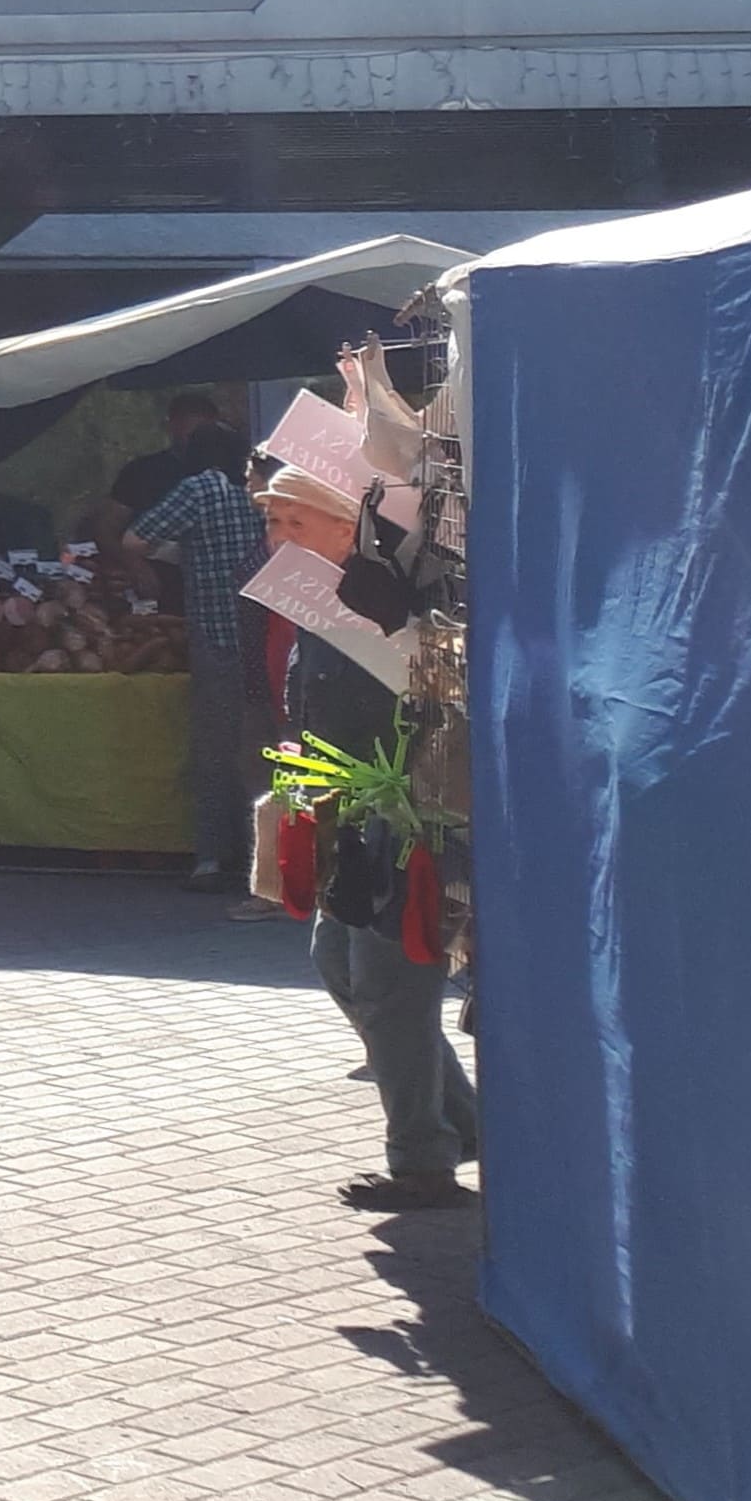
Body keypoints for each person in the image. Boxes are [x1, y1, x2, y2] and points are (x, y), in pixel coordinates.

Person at [259, 469, 478, 1210]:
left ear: (344, 528)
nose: (279, 538)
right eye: (273, 523)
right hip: (355, 815)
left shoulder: (405, 599)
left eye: (296, 522)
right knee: (340, 963)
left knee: (390, 984)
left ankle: (422, 1161)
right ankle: (462, 1124)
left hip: (410, 817)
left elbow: (445, 705)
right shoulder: (312, 608)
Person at [131, 421, 270, 896]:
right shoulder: (259, 490)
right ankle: (262, 861)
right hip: (265, 640)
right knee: (260, 750)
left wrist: (146, 575)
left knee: (214, 750)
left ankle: (211, 859)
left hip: (215, 637)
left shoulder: (199, 489)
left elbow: (135, 540)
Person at [96, 389, 230, 610]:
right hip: (156, 592)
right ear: (172, 426)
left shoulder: (234, 476)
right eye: (191, 435)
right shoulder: (143, 472)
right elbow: (105, 528)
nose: (200, 443)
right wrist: (134, 564)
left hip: (216, 594)